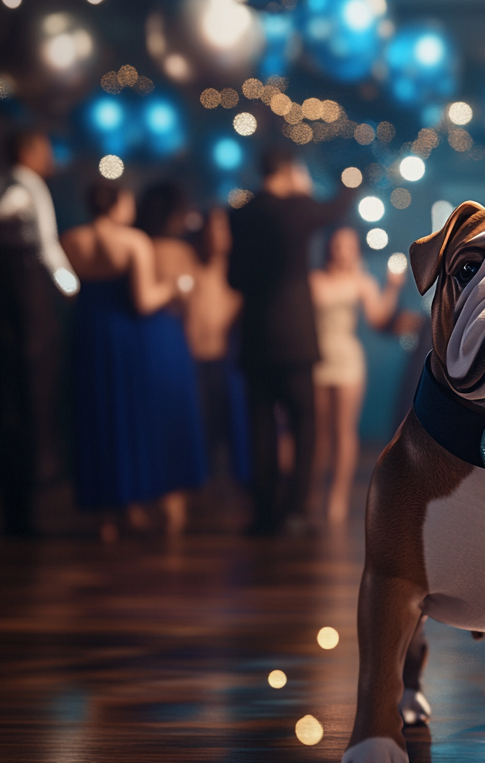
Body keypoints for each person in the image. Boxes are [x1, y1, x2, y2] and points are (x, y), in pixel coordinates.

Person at [61, 182, 207, 538]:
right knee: (128, 417)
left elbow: (67, 289)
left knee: (99, 419)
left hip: (89, 334)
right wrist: (177, 287)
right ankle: (141, 502)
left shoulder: (70, 239)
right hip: (127, 339)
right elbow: (144, 301)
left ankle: (107, 517)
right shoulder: (133, 241)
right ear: (117, 205)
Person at [228, 149, 348, 535]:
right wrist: (310, 189)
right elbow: (338, 206)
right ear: (289, 171)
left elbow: (233, 278)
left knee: (260, 428)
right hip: (296, 336)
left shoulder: (240, 213)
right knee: (304, 425)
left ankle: (264, 513)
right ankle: (295, 510)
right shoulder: (298, 208)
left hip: (255, 337)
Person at [0, 130, 78, 535]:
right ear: (28, 151)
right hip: (23, 298)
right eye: (45, 149)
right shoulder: (24, 187)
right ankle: (21, 507)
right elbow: (46, 245)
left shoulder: (23, 185)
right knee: (25, 398)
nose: (50, 156)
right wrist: (71, 288)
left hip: (23, 298)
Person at [309, 228, 406, 523]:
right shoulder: (315, 279)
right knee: (318, 434)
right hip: (317, 359)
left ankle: (337, 498)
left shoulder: (361, 281)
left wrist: (392, 287)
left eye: (348, 245)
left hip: (347, 358)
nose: (342, 251)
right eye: (338, 244)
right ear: (329, 248)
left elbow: (377, 319)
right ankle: (310, 493)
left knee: (343, 430)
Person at [185, 208, 248, 482]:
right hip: (194, 360)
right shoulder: (189, 265)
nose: (217, 234)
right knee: (199, 430)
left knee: (233, 427)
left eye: (223, 228)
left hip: (229, 361)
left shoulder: (240, 272)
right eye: (213, 227)